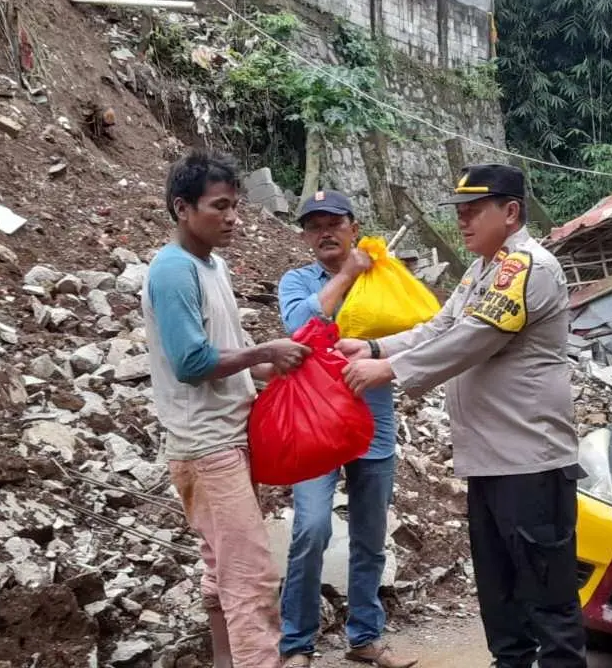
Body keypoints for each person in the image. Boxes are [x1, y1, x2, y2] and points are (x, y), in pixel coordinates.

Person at [339, 164, 587, 668]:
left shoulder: (527, 266)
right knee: (502, 601)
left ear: (511, 212)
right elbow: (440, 328)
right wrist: (371, 345)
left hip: (530, 463)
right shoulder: (482, 270)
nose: (463, 223)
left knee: (548, 603)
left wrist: (390, 369)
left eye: (474, 211)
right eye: (460, 213)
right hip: (490, 463)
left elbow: (475, 338)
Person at [141, 149, 311, 668]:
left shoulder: (210, 265)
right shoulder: (172, 270)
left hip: (227, 436)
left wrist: (283, 366)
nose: (233, 217)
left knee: (222, 568)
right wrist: (264, 352)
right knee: (250, 576)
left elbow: (228, 354)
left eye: (235, 205)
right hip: (207, 443)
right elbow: (192, 362)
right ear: (182, 208)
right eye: (220, 207)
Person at [276, 190, 418, 668]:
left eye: (333, 222)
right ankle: (296, 643)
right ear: (304, 236)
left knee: (370, 534)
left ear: (354, 226)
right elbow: (300, 326)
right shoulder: (297, 281)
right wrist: (348, 273)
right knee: (311, 528)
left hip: (372, 420)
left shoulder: (384, 279)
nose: (324, 232)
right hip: (314, 423)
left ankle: (365, 638)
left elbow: (415, 330)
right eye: (314, 225)